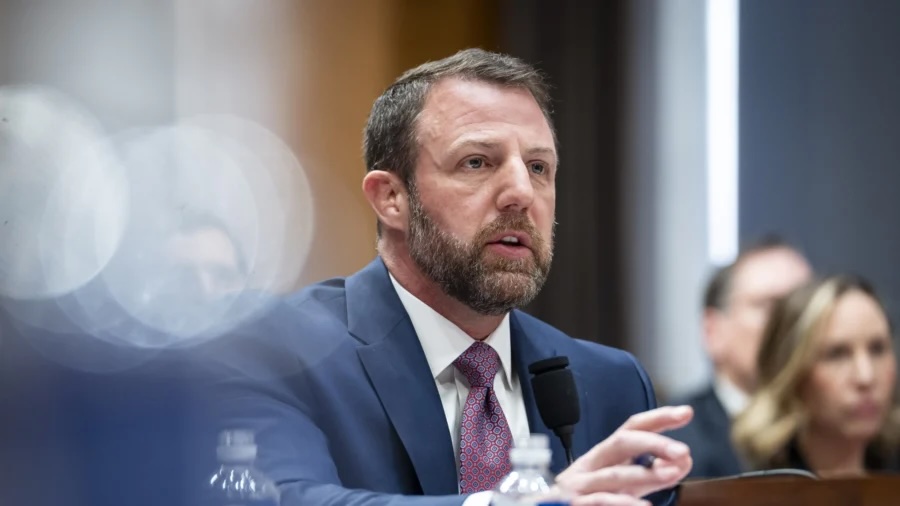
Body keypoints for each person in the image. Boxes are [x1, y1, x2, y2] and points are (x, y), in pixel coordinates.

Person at [210, 48, 693, 506]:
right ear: (391, 198)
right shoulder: (278, 349)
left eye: (539, 167)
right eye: (477, 162)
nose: (521, 193)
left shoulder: (610, 384)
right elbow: (280, 497)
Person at [667, 237, 812, 478]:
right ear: (713, 331)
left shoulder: (849, 434)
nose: (793, 322)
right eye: (769, 306)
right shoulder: (676, 445)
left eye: (805, 307)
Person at [732, 275, 900, 476]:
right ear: (791, 371)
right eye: (836, 354)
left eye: (877, 349)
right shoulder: (749, 493)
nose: (866, 377)